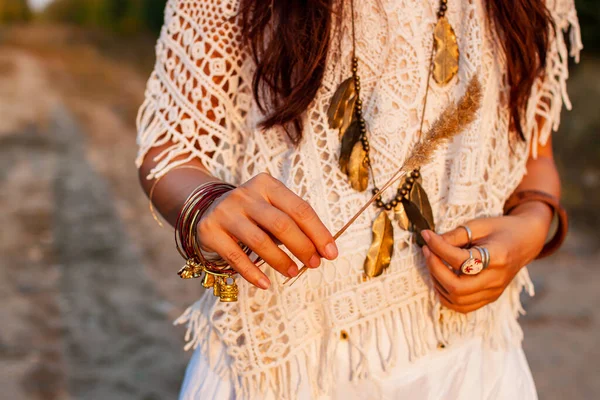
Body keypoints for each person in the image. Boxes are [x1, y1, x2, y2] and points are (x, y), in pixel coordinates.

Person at [136, 0, 581, 398]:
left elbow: (533, 154)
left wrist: (534, 224)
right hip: (287, 368)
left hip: (473, 361)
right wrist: (207, 203)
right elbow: (171, 149)